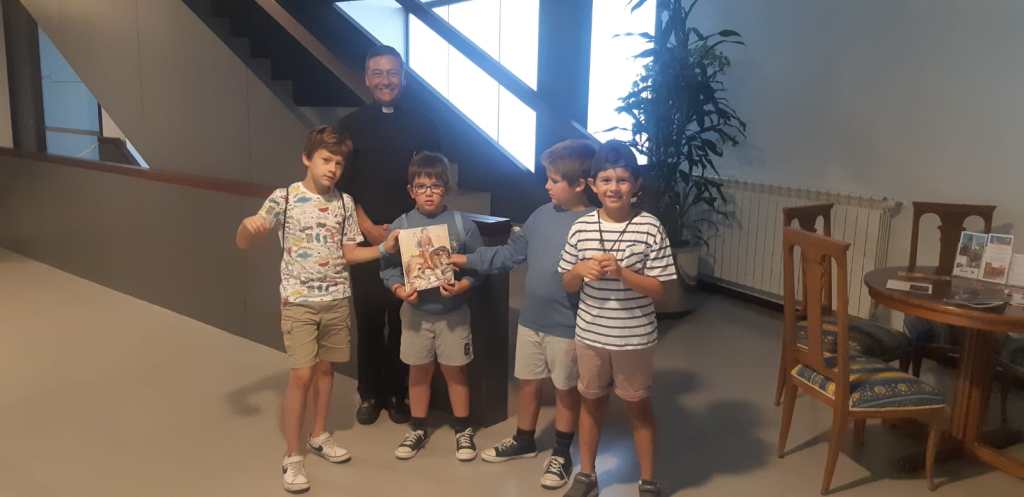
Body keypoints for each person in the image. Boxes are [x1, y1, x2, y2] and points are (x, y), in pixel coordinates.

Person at [235, 126, 400, 493]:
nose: (332, 169)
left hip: (336, 300)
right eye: (326, 160)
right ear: (307, 158)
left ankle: (319, 435)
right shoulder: (284, 198)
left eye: (339, 163)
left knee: (327, 371)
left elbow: (349, 253)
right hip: (298, 302)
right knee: (301, 376)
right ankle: (292, 455)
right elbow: (244, 242)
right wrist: (247, 227)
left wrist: (384, 249)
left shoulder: (345, 203)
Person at [449, 139, 596, 489]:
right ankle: (524, 439)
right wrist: (465, 259)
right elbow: (510, 254)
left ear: (579, 184)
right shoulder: (540, 215)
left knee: (564, 389)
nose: (546, 185)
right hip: (531, 319)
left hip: (568, 325)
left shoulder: (594, 224)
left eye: (554, 180)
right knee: (528, 383)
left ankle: (561, 452)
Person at [558, 141, 677, 497]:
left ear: (636, 184)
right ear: (592, 185)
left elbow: (660, 289)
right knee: (591, 403)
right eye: (606, 180)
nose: (614, 187)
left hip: (634, 338)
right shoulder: (581, 227)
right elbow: (567, 281)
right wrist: (579, 270)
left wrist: (624, 273)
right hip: (591, 335)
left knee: (637, 406)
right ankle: (586, 475)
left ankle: (648, 481)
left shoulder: (650, 227)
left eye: (622, 180)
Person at [336, 45, 441, 425]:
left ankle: (398, 393)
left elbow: (431, 179)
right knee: (368, 316)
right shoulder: (349, 125)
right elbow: (340, 183)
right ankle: (369, 393)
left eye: (393, 73)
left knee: (404, 317)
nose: (386, 80)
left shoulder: (422, 124)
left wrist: (406, 226)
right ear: (367, 78)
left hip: (409, 233)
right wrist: (365, 224)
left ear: (403, 78)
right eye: (378, 73)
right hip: (364, 233)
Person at [380, 152, 483, 461]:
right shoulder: (401, 226)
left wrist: (463, 285)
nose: (428, 192)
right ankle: (418, 426)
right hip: (415, 314)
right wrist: (399, 289)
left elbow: (478, 266)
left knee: (456, 371)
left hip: (454, 314)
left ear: (445, 189)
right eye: (421, 186)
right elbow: (388, 268)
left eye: (435, 186)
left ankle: (462, 427)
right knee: (418, 371)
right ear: (411, 190)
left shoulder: (462, 224)